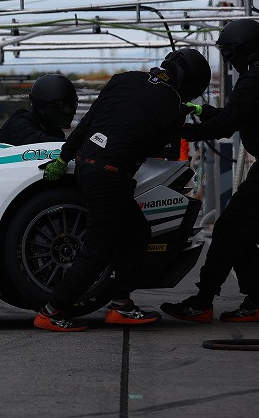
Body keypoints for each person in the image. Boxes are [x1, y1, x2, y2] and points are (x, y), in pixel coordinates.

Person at [34, 48, 211, 332]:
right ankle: (52, 311)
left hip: (87, 168)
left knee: (136, 234)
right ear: (189, 82)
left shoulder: (124, 79)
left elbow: (88, 123)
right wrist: (191, 117)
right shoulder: (172, 105)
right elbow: (160, 146)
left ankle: (120, 304)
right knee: (98, 249)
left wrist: (64, 158)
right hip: (111, 177)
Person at [162, 19, 259, 324]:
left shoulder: (255, 78)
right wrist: (200, 110)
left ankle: (203, 302)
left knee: (229, 230)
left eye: (229, 52)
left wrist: (178, 131)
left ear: (243, 50)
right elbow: (235, 115)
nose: (228, 60)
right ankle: (255, 303)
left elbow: (226, 125)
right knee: (241, 233)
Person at [0, 73, 77, 145]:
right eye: (63, 105)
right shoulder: (19, 124)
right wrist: (72, 146)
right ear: (44, 105)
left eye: (72, 104)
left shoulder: (53, 131)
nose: (69, 110)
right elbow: (38, 142)